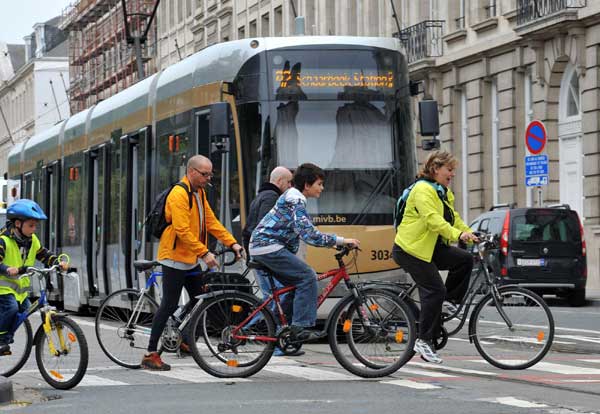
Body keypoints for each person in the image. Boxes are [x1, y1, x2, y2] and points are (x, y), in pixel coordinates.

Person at [142, 155, 244, 371]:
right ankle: (150, 353)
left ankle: (187, 339)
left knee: (200, 299)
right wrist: (205, 252)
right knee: (169, 303)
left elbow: (211, 222)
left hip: (189, 258)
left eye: (210, 174)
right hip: (174, 258)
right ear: (192, 172)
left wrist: (233, 243)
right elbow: (182, 230)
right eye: (204, 174)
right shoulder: (179, 194)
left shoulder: (199, 193)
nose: (208, 178)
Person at [249, 163, 360, 341]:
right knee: (307, 276)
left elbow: (305, 230)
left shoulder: (294, 197)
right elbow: (308, 234)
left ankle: (278, 330)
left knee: (293, 286)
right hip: (268, 247)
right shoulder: (296, 198)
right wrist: (340, 240)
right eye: (319, 184)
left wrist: (332, 244)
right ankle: (300, 327)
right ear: (307, 185)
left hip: (265, 246)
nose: (322, 188)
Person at [391, 150, 478, 364]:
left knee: (465, 259)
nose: (452, 174)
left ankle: (449, 301)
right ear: (435, 169)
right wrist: (458, 235)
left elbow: (452, 218)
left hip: (430, 247)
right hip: (410, 249)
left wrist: (469, 232)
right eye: (449, 169)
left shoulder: (442, 191)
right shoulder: (423, 190)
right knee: (434, 289)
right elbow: (432, 220)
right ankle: (423, 340)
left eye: (453, 170)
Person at [243, 166, 304, 356]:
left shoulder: (262, 196)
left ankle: (281, 341)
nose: (290, 187)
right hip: (266, 255)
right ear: (279, 182)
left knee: (274, 297)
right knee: (276, 298)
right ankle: (258, 334)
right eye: (288, 183)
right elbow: (268, 229)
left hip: (259, 254)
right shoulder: (271, 198)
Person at [0, 199, 68, 355]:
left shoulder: (32, 240)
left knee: (25, 310)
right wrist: (6, 268)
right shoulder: (3, 240)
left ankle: (8, 335)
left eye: (35, 225)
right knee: (11, 308)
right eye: (31, 225)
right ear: (18, 224)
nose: (34, 229)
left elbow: (43, 255)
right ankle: (2, 340)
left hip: (19, 290)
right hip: (3, 289)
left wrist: (58, 262)